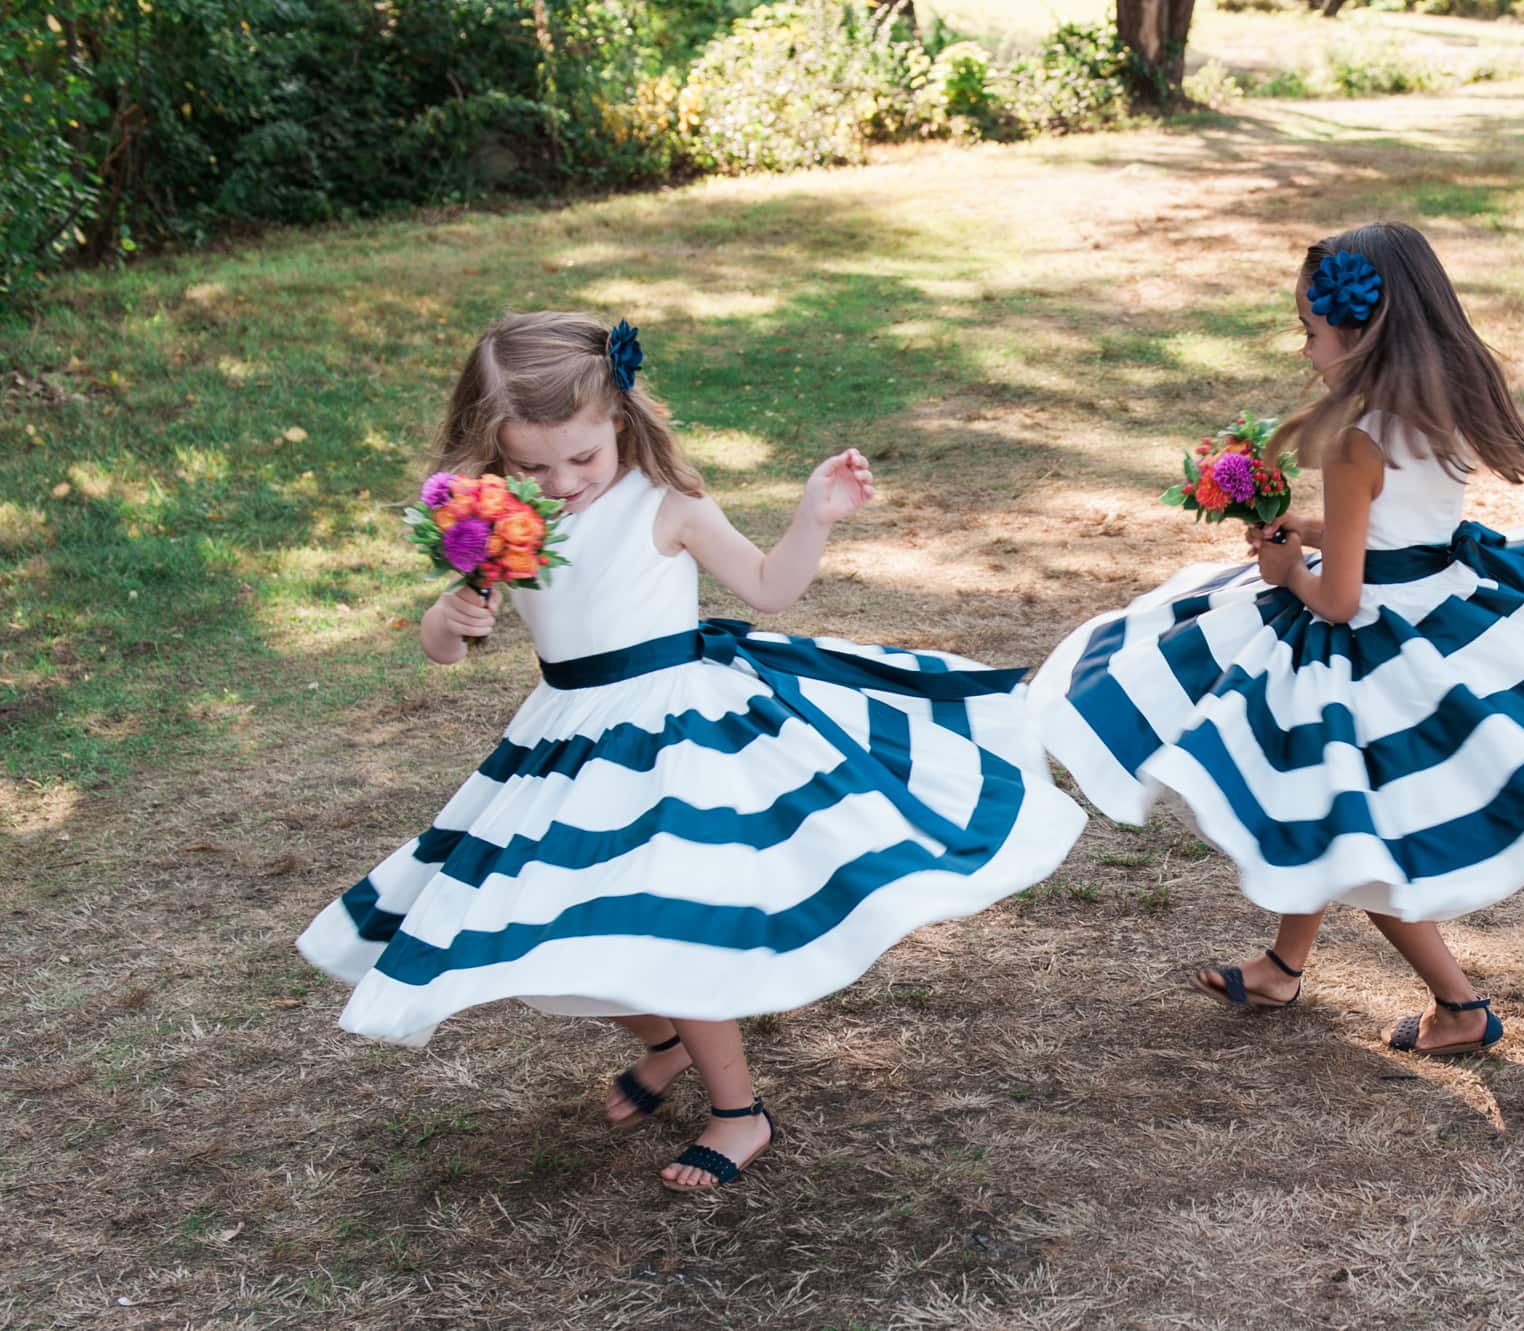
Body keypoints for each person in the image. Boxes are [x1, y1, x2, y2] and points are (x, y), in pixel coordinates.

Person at [298, 311, 1084, 1188]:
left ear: (622, 421)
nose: (561, 483)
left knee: (672, 925)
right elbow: (448, 647)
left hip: (677, 734)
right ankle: (664, 1041)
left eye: (582, 459)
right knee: (552, 929)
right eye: (533, 465)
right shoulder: (505, 520)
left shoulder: (668, 504)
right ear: (494, 452)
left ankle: (740, 1112)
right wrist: (450, 617)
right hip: (569, 742)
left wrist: (814, 516)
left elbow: (770, 587)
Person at [1031, 223, 1524, 1055]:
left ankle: (1460, 1006)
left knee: (1359, 837)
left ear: (1356, 334)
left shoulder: (1354, 441)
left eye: (1309, 331)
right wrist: (1308, 526)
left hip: (1374, 646)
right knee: (1327, 803)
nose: (1305, 350)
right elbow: (1398, 533)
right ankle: (1283, 965)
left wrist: (1287, 567)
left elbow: (1338, 597)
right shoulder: (1432, 414)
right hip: (1438, 606)